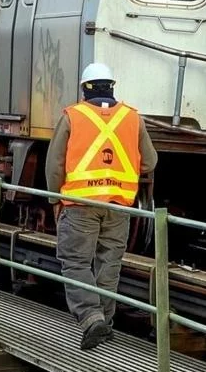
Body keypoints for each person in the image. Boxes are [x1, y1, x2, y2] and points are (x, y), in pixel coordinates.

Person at [46, 62, 158, 350]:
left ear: (85, 89)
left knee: (76, 262)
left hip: (80, 205)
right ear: (112, 86)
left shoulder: (72, 116)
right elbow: (150, 162)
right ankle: (105, 323)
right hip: (119, 207)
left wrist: (53, 198)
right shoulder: (133, 118)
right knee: (109, 264)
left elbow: (55, 165)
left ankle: (91, 318)